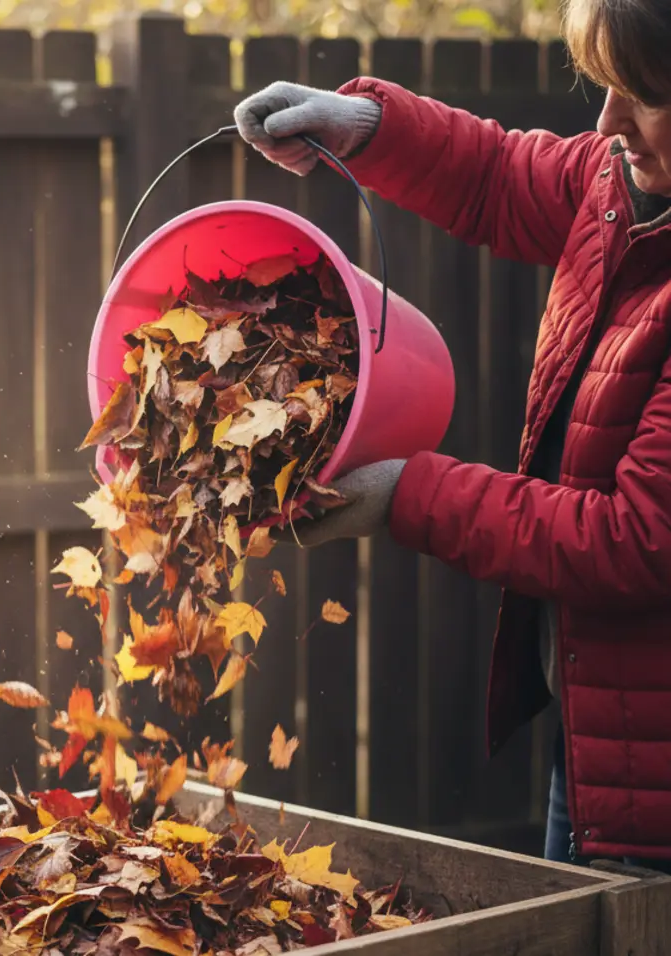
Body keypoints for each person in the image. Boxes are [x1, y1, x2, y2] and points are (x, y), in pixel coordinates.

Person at [233, 0, 671, 870]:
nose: (609, 122)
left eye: (647, 94)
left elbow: (636, 539)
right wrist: (362, 125)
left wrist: (404, 493)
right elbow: (500, 176)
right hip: (602, 748)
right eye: (606, 86)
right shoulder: (626, 185)